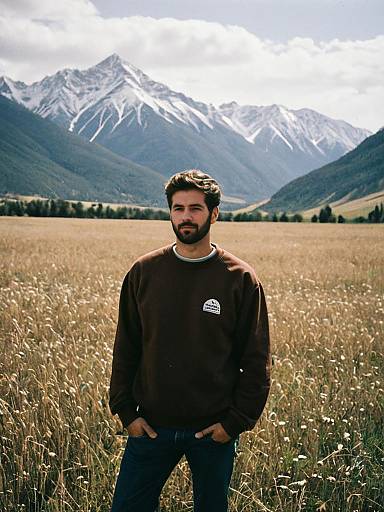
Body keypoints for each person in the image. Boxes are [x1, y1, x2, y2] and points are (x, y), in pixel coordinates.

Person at [109, 170, 271, 512]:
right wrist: (125, 412)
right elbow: (126, 346)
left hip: (212, 431)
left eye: (195, 208)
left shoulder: (240, 278)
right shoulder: (144, 272)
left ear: (214, 214)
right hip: (151, 427)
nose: (185, 216)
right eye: (178, 207)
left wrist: (234, 423)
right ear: (169, 212)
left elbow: (256, 359)